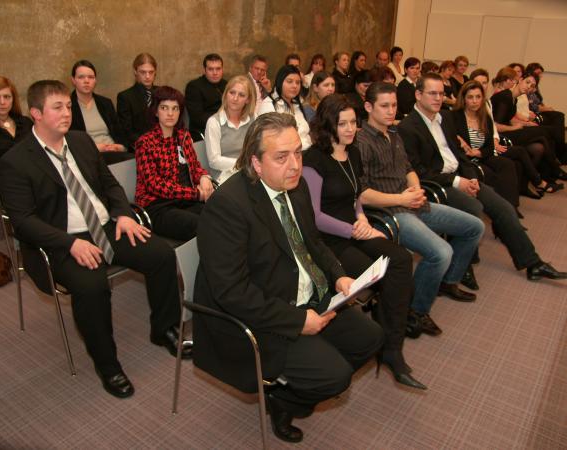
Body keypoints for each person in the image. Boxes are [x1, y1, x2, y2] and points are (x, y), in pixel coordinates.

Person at [193, 112, 384, 443]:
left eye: (298, 152)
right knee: (336, 378)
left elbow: (314, 243)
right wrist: (297, 321)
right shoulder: (227, 206)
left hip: (304, 290)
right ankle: (283, 401)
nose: (295, 165)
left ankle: (289, 396)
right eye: (281, 157)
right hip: (262, 314)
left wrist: (338, 276)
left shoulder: (295, 186)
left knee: (372, 338)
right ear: (255, 162)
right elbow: (232, 292)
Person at [0, 80, 187, 399]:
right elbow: (23, 222)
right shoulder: (15, 161)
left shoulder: (81, 141)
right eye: (57, 107)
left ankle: (164, 329)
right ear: (36, 114)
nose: (66, 113)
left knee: (161, 255)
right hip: (61, 239)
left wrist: (123, 214)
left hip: (106, 225)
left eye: (68, 106)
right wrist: (70, 243)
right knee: (92, 286)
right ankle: (108, 365)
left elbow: (110, 185)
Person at [303, 94, 426, 390]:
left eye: (353, 123)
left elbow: (356, 196)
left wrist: (362, 220)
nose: (350, 129)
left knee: (400, 259)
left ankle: (391, 347)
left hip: (354, 229)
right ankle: (384, 343)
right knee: (380, 272)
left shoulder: (354, 152)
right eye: (342, 124)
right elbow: (315, 216)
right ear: (327, 126)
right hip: (328, 241)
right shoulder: (313, 160)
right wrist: (353, 229)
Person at [398, 73, 567, 282]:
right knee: (473, 207)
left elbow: (459, 155)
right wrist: (458, 182)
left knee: (503, 207)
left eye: (441, 93)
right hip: (438, 183)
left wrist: (471, 178)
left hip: (460, 175)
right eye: (432, 93)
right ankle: (461, 267)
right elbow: (418, 171)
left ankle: (533, 264)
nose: (438, 98)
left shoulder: (445, 118)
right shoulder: (407, 127)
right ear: (418, 95)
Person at [357, 82, 484, 336]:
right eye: (384, 106)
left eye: (394, 105)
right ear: (369, 107)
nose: (391, 111)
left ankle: (447, 281)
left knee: (474, 227)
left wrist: (415, 189)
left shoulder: (394, 135)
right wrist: (402, 199)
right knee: (441, 252)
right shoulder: (361, 142)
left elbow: (408, 169)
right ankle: (414, 311)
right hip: (390, 213)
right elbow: (363, 194)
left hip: (412, 203)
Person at [135, 86, 214, 241]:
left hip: (185, 201)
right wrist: (195, 194)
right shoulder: (145, 143)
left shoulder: (183, 136)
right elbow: (154, 185)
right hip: (158, 206)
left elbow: (194, 166)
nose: (170, 113)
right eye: (164, 108)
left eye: (175, 108)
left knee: (220, 214)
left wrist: (204, 177)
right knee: (202, 225)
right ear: (156, 111)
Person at [469, 68, 547, 199]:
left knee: (536, 145)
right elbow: (493, 126)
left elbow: (492, 126)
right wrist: (495, 141)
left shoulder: (487, 102)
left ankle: (522, 192)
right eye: (478, 82)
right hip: (482, 148)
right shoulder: (501, 97)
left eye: (484, 83)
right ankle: (540, 181)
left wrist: (494, 140)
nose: (481, 86)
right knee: (537, 138)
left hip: (491, 144)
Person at [490, 68, 565, 189]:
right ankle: (560, 162)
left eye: (532, 85)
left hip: (509, 132)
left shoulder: (513, 98)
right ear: (520, 80)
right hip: (502, 136)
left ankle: (545, 178)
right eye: (527, 82)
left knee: (541, 144)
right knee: (548, 131)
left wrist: (525, 124)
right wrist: (515, 127)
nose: (529, 86)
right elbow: (495, 126)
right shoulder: (505, 96)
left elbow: (509, 119)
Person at [452, 81, 521, 211]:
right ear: (464, 99)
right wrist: (458, 139)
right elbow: (449, 138)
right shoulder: (454, 116)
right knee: (492, 175)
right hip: (465, 160)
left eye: (478, 97)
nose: (474, 101)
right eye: (470, 97)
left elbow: (490, 147)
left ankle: (511, 208)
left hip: (481, 155)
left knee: (508, 164)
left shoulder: (485, 118)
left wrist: (477, 152)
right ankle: (501, 210)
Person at [69, 60, 131, 165]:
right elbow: (70, 140)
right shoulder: (68, 106)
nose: (86, 81)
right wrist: (93, 148)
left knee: (134, 160)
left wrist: (121, 146)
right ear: (73, 80)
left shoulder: (105, 103)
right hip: (89, 155)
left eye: (91, 77)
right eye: (81, 77)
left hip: (113, 151)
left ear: (95, 80)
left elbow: (119, 131)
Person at [204, 75, 256, 183]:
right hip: (224, 176)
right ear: (226, 94)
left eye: (241, 95)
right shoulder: (214, 122)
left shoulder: (253, 119)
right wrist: (244, 164)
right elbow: (214, 161)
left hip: (249, 172)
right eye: (232, 92)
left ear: (248, 100)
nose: (235, 98)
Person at [257, 65, 311, 149]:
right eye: (289, 81)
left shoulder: (297, 104)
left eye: (298, 82)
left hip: (306, 149)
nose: (294, 86)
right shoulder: (269, 104)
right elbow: (268, 140)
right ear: (280, 82)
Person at [117, 53, 157, 150]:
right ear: (135, 72)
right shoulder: (125, 97)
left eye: (151, 72)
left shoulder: (162, 93)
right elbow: (127, 130)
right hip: (140, 146)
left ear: (155, 72)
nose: (147, 76)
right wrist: (147, 144)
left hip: (164, 144)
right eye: (143, 72)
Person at [185, 54, 228, 142]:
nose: (215, 73)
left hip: (227, 129)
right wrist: (223, 119)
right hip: (204, 131)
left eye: (218, 69)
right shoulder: (194, 87)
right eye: (211, 69)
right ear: (204, 70)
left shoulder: (227, 85)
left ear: (222, 69)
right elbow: (197, 118)